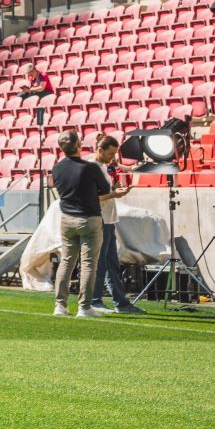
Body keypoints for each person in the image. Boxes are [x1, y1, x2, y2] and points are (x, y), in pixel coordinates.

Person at [88, 134, 146, 315]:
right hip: (100, 219)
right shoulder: (92, 168)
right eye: (110, 153)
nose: (113, 157)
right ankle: (95, 300)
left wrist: (116, 190)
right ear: (100, 150)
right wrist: (115, 194)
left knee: (111, 262)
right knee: (101, 262)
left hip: (108, 218)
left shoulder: (105, 166)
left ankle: (120, 301)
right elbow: (92, 198)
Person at [51, 130, 106, 318]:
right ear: (78, 145)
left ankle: (60, 305)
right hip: (89, 218)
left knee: (66, 262)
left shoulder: (57, 168)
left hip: (66, 219)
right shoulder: (89, 167)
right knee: (89, 264)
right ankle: (84, 307)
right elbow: (105, 188)